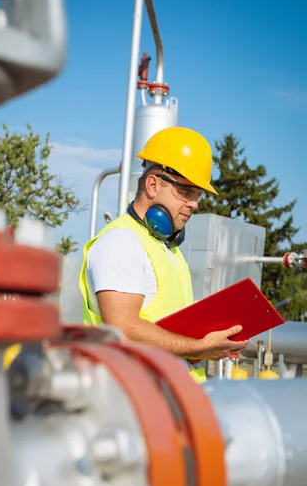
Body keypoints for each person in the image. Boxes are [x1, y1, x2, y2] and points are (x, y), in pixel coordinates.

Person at [78, 127, 248, 376]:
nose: (193, 203)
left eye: (198, 195)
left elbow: (167, 332)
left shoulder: (167, 249)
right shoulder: (121, 241)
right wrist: (200, 348)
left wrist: (212, 340)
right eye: (185, 192)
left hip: (171, 400)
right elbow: (123, 330)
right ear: (152, 184)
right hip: (139, 403)